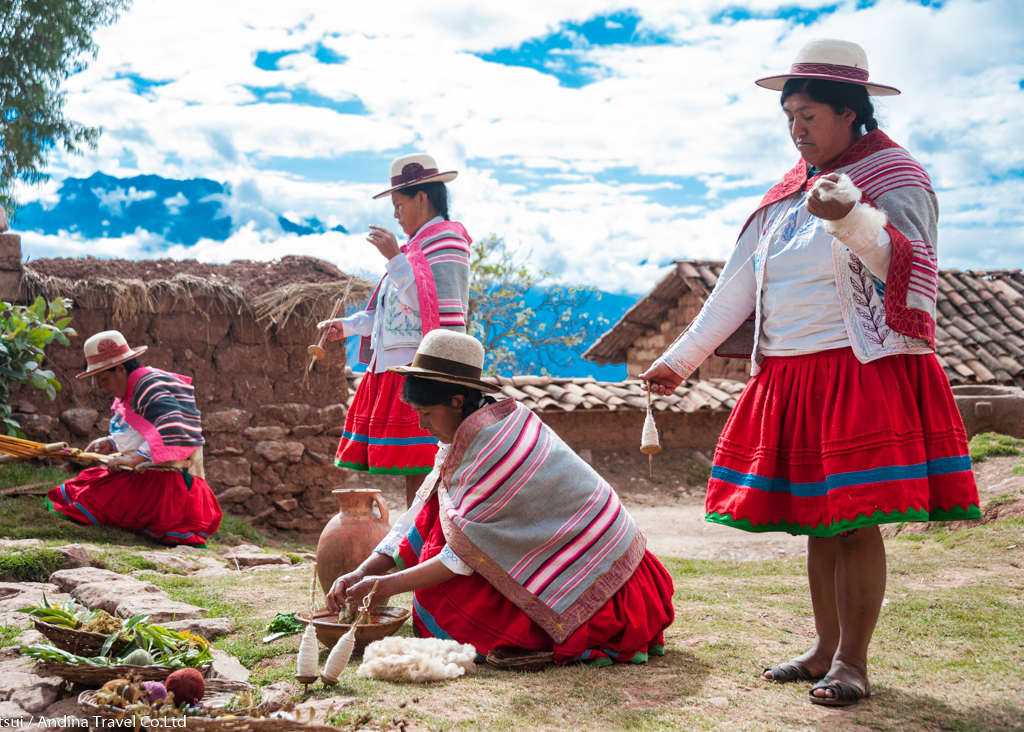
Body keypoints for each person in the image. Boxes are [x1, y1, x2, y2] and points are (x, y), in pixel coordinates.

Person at [640, 39, 980, 706]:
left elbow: (910, 268)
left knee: (852, 519)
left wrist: (851, 217)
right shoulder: (785, 198)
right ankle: (825, 649)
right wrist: (679, 360)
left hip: (861, 371)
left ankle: (853, 662)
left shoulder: (893, 178)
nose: (798, 132)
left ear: (852, 113)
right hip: (792, 376)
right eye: (789, 118)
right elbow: (736, 287)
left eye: (810, 117)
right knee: (818, 520)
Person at [327, 330, 675, 667]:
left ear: (457, 401)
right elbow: (419, 516)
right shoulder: (471, 430)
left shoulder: (496, 444)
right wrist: (362, 571)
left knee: (450, 604)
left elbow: (458, 558)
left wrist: (384, 586)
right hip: (587, 554)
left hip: (602, 575)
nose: (422, 424)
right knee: (437, 518)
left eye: (427, 413)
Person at [320, 153, 472, 507]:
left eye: (399, 204)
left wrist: (395, 259)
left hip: (425, 371)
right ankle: (419, 536)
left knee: (425, 463)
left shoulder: (447, 244)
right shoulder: (414, 251)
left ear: (422, 199)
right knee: (415, 468)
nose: (395, 214)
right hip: (397, 370)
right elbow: (394, 312)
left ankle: (426, 538)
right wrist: (349, 326)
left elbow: (433, 308)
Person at [44, 331, 222, 548]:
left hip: (170, 482)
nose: (103, 387)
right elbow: (143, 430)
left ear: (120, 369)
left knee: (88, 500)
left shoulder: (149, 386)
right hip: (151, 472)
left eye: (104, 379)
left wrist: (135, 460)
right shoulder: (140, 386)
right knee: (80, 486)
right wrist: (110, 443)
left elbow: (171, 428)